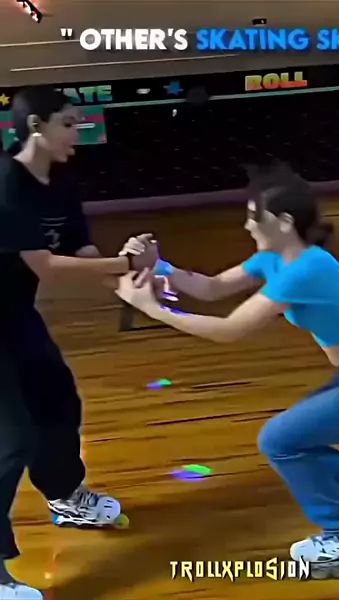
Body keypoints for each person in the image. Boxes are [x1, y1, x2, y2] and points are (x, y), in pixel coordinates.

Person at [116, 161, 339, 579]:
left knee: (280, 440)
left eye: (255, 216)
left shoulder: (308, 269)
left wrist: (153, 309)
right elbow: (211, 288)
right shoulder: (273, 259)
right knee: (293, 442)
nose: (247, 225)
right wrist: (159, 265)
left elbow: (230, 329)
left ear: (284, 222)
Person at [0, 87, 158, 600]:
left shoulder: (62, 181)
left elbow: (81, 251)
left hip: (13, 313)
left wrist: (136, 275)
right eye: (69, 123)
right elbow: (45, 265)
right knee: (12, 440)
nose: (79, 132)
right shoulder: (7, 182)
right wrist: (125, 263)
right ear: (36, 127)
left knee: (57, 399)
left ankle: (65, 496)